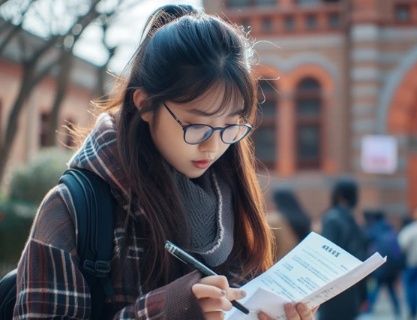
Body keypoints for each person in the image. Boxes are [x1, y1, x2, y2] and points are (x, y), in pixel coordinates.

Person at [12, 5, 317, 320]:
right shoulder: (74, 208)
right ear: (145, 105)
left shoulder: (231, 197)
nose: (213, 146)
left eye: (230, 126)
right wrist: (169, 310)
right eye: (196, 126)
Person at [317, 177, 367, 320]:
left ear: (337, 194)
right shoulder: (353, 219)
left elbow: (326, 253)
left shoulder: (332, 218)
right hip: (351, 286)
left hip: (333, 288)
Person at [363, 210, 402, 319]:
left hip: (379, 265)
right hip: (392, 266)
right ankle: (397, 310)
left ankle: (369, 309)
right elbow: (398, 251)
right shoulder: (391, 230)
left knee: (375, 288)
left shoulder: (373, 230)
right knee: (391, 289)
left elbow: (366, 245)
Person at [267, 189, 311, 260]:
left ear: (276, 202)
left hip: (282, 263)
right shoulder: (304, 218)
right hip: (303, 260)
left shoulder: (273, 220)